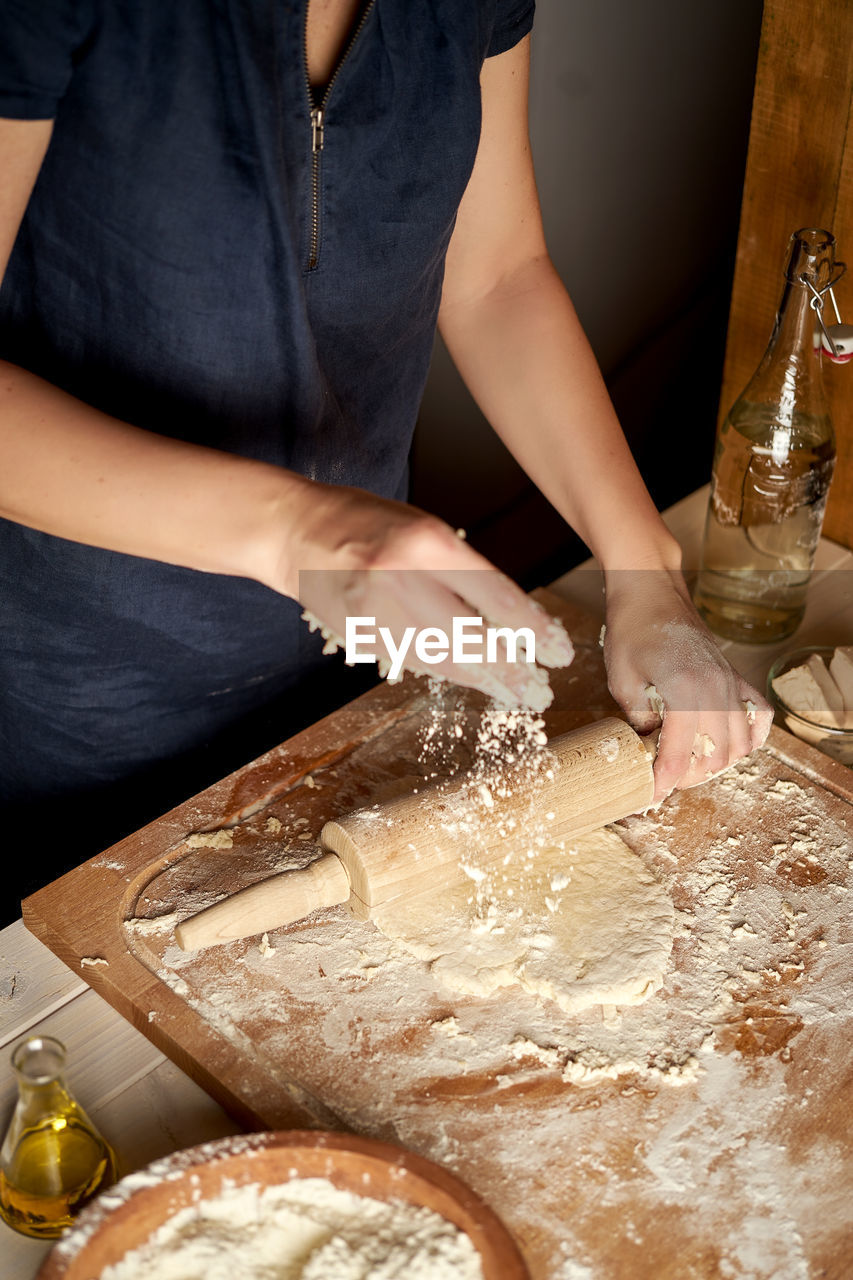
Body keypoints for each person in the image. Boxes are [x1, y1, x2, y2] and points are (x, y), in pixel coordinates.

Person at [0, 0, 771, 917]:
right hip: (79, 678)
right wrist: (299, 531)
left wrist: (644, 573)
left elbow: (496, 277)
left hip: (356, 645)